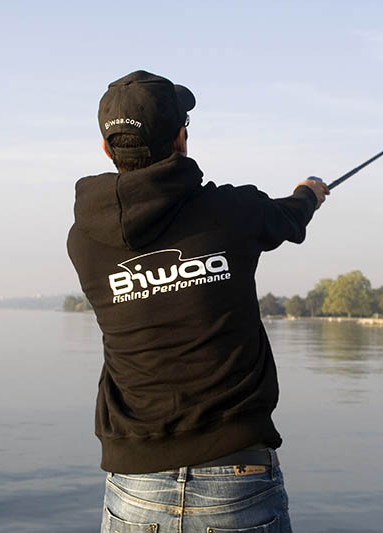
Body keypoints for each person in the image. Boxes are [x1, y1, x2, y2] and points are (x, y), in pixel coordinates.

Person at [67, 70, 328, 533]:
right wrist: (310, 192)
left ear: (108, 149)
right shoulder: (235, 212)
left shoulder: (85, 240)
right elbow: (290, 215)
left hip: (134, 488)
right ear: (181, 139)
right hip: (238, 480)